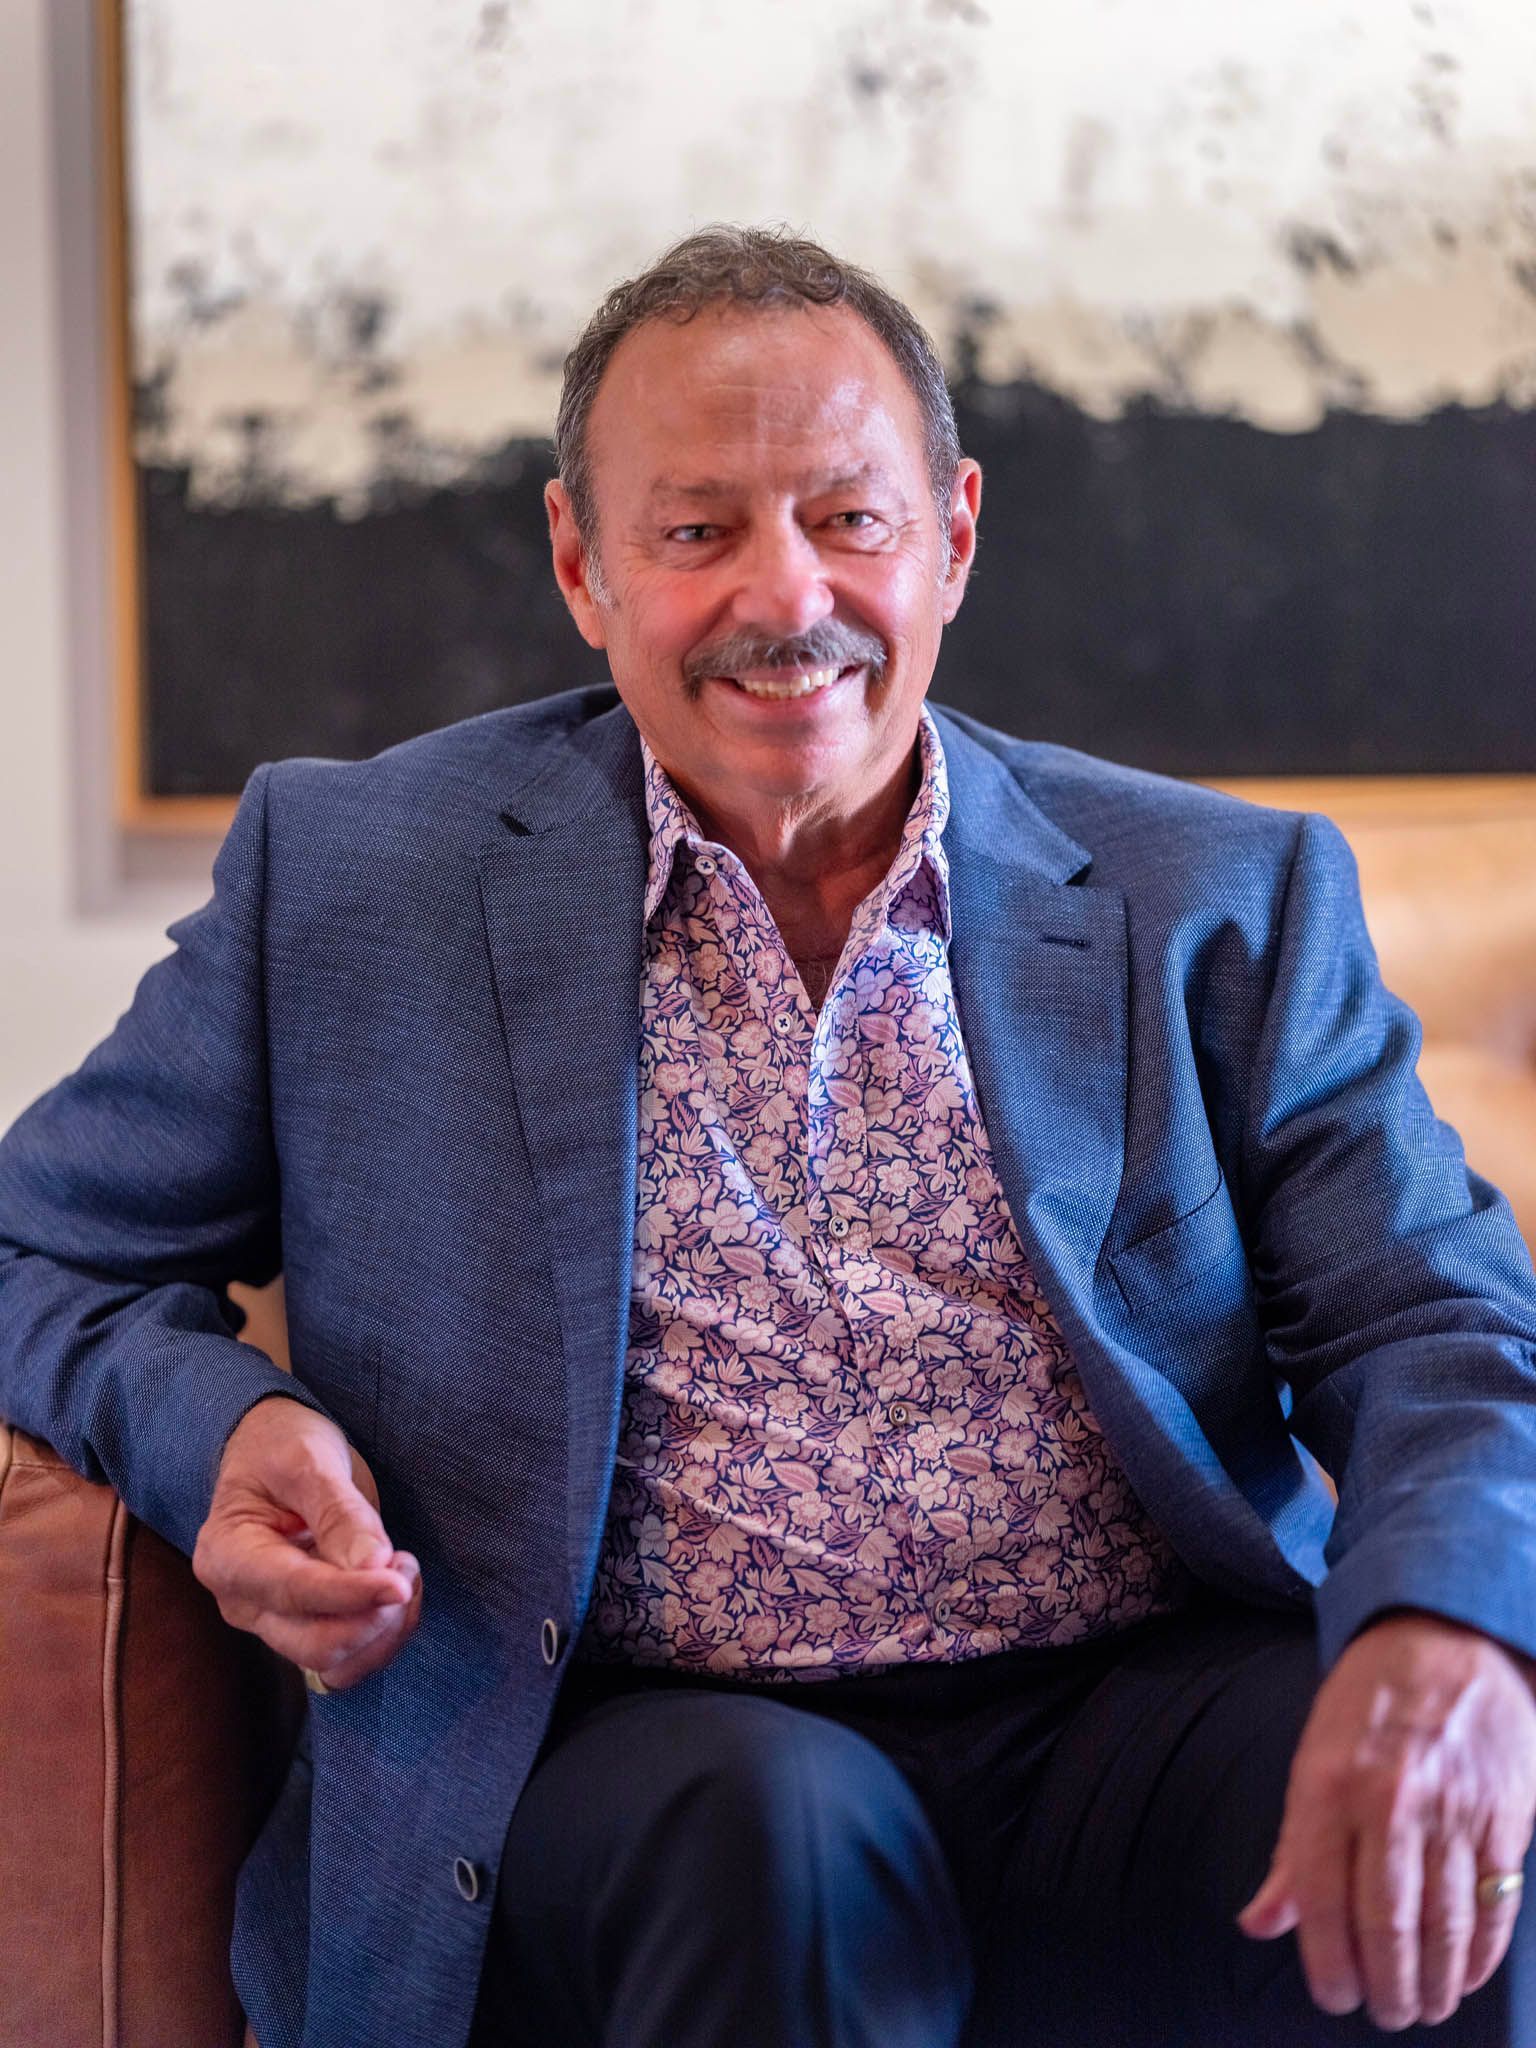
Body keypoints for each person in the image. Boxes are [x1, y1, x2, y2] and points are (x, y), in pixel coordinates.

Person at [2, 225, 1534, 2048]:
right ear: (581, 562)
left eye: (848, 518)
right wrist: (225, 1427)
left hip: (1132, 1706)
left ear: (954, 534)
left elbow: (1433, 1320)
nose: (782, 592)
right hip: (646, 1751)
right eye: (696, 528)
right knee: (775, 1836)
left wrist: (1450, 1628)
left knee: (1447, 1814)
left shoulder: (1216, 894)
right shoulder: (351, 882)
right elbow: (43, 1245)